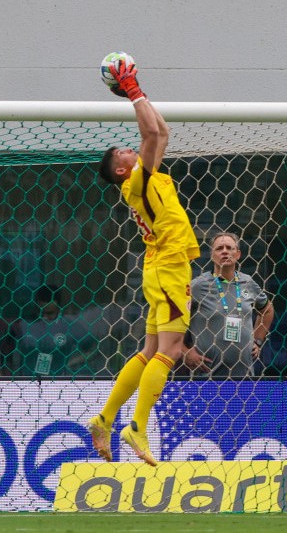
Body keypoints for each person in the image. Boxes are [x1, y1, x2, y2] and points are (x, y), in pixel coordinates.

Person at [87, 59, 207, 466]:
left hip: (159, 267)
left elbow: (162, 130)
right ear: (122, 169)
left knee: (151, 348)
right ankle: (137, 426)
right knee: (170, 351)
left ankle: (104, 418)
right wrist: (133, 89)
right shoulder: (137, 180)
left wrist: (136, 94)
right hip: (170, 267)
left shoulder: (147, 178)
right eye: (125, 152)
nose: (131, 148)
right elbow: (152, 132)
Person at [185, 232, 274, 379]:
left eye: (229, 248)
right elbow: (176, 318)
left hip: (244, 377)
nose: (225, 251)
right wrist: (184, 351)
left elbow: (267, 310)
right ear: (212, 255)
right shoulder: (198, 286)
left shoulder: (248, 283)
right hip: (205, 377)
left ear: (238, 254)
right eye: (219, 248)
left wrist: (257, 341)